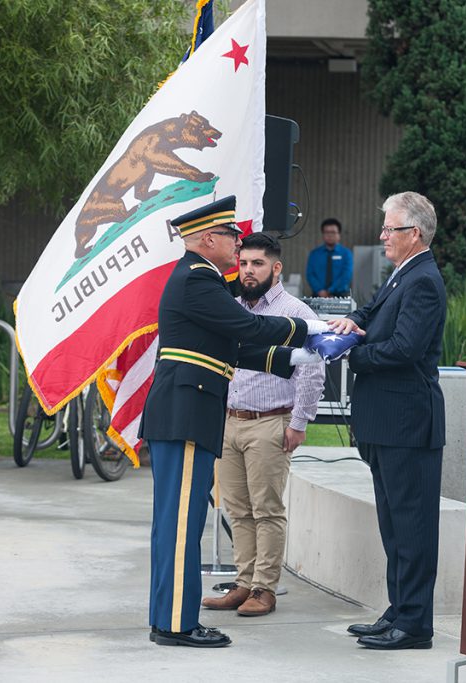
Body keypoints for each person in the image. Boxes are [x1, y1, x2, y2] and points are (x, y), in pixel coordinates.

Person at [138, 196, 328, 648]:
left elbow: (233, 349)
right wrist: (312, 330)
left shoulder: (197, 280)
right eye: (230, 236)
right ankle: (176, 625)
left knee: (175, 521)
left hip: (186, 412)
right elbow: (247, 327)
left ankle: (167, 617)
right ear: (208, 239)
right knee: (181, 522)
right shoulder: (199, 279)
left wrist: (294, 357)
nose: (237, 242)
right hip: (187, 414)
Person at [329, 191, 447, 651]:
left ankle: (415, 623)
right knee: (394, 527)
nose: (382, 237)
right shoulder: (403, 275)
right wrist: (350, 325)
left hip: (408, 424)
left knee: (412, 528)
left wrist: (352, 354)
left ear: (413, 233)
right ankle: (398, 610)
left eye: (389, 229)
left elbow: (404, 348)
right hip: (387, 423)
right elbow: (372, 312)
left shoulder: (424, 280)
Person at [201, 232, 325, 616]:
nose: (248, 271)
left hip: (271, 423)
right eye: (243, 263)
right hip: (231, 422)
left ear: (276, 268)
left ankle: (265, 589)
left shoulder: (297, 313)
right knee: (236, 509)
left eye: (257, 264)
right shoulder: (231, 308)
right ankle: (243, 583)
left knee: (267, 509)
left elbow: (313, 370)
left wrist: (300, 422)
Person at [306, 218, 353, 297]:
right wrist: (320, 290)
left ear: (339, 234)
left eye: (333, 232)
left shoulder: (346, 253)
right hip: (318, 295)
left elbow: (346, 275)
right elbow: (310, 275)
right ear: (323, 234)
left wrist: (330, 290)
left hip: (340, 296)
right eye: (327, 232)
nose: (330, 235)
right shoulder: (314, 254)